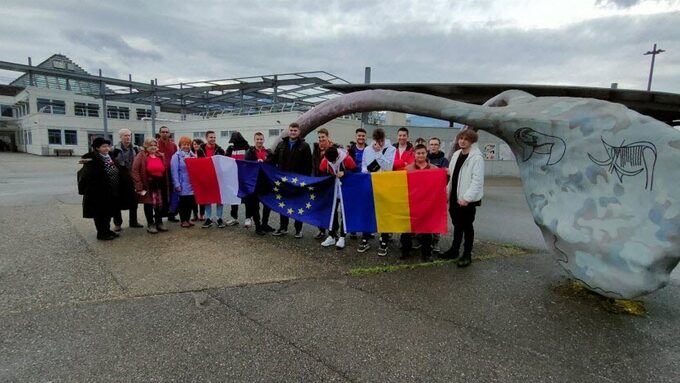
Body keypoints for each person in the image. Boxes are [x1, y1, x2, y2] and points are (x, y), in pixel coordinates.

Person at [442, 129, 484, 267]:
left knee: (467, 226)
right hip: (455, 196)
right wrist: (447, 192)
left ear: (472, 141)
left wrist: (467, 198)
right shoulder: (456, 154)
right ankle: (454, 250)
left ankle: (467, 254)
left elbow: (477, 181)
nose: (462, 141)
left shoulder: (476, 158)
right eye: (461, 138)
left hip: (467, 200)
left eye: (466, 139)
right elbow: (453, 175)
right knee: (457, 224)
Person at [78, 137, 135, 240]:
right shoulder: (91, 158)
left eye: (107, 146)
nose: (107, 148)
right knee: (100, 213)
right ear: (97, 148)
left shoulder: (109, 156)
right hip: (98, 192)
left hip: (112, 190)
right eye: (104, 146)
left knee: (109, 212)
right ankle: (101, 233)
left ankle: (107, 230)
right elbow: (88, 175)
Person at [268, 122, 312, 238]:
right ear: (288, 131)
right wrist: (264, 162)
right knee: (284, 204)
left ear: (299, 132)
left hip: (298, 182)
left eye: (295, 130)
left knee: (298, 205)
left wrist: (305, 181)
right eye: (291, 130)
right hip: (284, 181)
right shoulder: (281, 145)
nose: (293, 132)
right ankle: (283, 228)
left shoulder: (305, 146)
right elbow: (273, 159)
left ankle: (298, 230)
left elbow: (308, 165)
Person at [359, 128, 396, 256]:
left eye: (381, 141)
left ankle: (384, 239)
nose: (379, 143)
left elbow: (389, 167)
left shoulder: (391, 149)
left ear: (384, 138)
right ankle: (365, 237)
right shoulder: (367, 149)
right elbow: (364, 164)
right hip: (371, 183)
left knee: (384, 212)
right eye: (377, 141)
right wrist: (365, 170)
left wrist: (380, 153)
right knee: (368, 210)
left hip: (385, 184)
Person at [400, 144, 436, 261]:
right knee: (407, 229)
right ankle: (405, 251)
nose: (420, 155)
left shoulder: (434, 169)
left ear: (426, 154)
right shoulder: (407, 169)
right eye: (418, 153)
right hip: (412, 203)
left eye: (423, 153)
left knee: (427, 230)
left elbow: (441, 184)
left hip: (427, 204)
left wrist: (447, 175)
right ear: (414, 154)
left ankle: (426, 253)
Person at [318, 146, 356, 249]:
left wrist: (345, 173)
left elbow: (355, 171)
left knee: (344, 212)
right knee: (332, 212)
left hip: (345, 189)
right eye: (330, 160)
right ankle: (332, 235)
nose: (332, 162)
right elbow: (321, 174)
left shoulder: (347, 159)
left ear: (338, 155)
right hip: (332, 189)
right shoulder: (325, 161)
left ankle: (342, 237)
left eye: (333, 160)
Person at [131, 138, 169, 234]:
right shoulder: (141, 156)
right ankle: (150, 224)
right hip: (148, 184)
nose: (153, 147)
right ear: (146, 146)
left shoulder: (160, 155)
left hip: (159, 183)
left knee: (159, 205)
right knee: (149, 204)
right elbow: (135, 171)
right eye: (150, 145)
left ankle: (159, 222)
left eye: (155, 145)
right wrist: (138, 185)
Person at [110, 128, 143, 230]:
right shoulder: (113, 149)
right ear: (120, 137)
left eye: (129, 135)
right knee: (116, 202)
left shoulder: (137, 149)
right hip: (118, 179)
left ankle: (133, 221)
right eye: (125, 135)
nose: (128, 137)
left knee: (133, 201)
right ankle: (117, 223)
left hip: (132, 178)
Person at [245, 132, 275, 235]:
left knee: (267, 205)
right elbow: (247, 165)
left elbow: (273, 162)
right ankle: (258, 227)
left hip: (266, 183)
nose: (259, 141)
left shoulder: (268, 152)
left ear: (263, 140)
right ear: (254, 140)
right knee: (255, 206)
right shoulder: (250, 152)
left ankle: (265, 224)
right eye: (257, 139)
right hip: (255, 183)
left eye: (261, 139)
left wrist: (265, 162)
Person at [196, 131, 226, 228]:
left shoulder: (220, 150)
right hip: (206, 177)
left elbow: (223, 163)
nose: (213, 139)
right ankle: (208, 218)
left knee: (219, 198)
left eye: (214, 137)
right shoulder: (201, 150)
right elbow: (199, 164)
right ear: (206, 138)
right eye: (211, 137)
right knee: (207, 198)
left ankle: (219, 218)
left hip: (217, 177)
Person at [311, 128, 337, 239]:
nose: (321, 139)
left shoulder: (334, 148)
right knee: (319, 207)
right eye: (319, 137)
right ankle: (321, 230)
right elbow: (313, 165)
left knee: (332, 209)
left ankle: (333, 231)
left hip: (330, 183)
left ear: (327, 137)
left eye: (323, 137)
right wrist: (312, 180)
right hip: (318, 182)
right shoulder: (316, 149)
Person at [170, 136, 197, 228]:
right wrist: (177, 184)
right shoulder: (175, 157)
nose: (186, 146)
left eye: (188, 144)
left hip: (191, 184)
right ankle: (183, 220)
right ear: (180, 145)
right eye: (184, 144)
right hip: (182, 183)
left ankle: (188, 219)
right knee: (183, 203)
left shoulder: (193, 155)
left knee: (190, 202)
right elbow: (174, 172)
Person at [225, 131, 249, 227]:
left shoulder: (247, 148)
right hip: (233, 178)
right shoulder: (230, 148)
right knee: (233, 198)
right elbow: (226, 160)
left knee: (247, 198)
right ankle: (234, 218)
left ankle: (248, 218)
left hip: (244, 178)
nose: (233, 143)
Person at [156, 126, 179, 222]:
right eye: (163, 132)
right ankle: (159, 215)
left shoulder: (173, 145)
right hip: (159, 174)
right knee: (161, 194)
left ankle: (172, 214)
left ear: (169, 133)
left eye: (167, 132)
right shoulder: (156, 144)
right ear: (160, 133)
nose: (165, 133)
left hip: (171, 172)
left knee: (173, 194)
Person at [190, 138, 205, 221]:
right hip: (192, 178)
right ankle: (195, 214)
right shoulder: (190, 153)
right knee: (193, 198)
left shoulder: (202, 153)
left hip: (201, 178)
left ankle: (202, 214)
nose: (196, 145)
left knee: (202, 197)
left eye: (198, 144)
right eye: (194, 144)